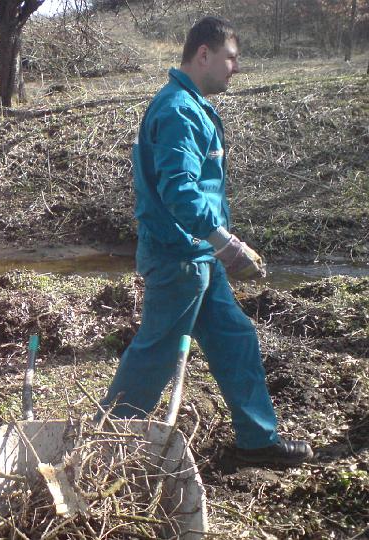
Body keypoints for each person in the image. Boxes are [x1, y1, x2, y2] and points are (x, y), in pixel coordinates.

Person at [98, 17, 313, 465]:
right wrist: (227, 244)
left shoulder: (191, 105)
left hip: (198, 256)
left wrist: (217, 246)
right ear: (204, 54)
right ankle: (103, 444)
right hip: (179, 258)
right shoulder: (178, 109)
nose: (235, 68)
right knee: (155, 354)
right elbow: (180, 191)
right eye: (230, 58)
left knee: (236, 339)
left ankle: (256, 440)